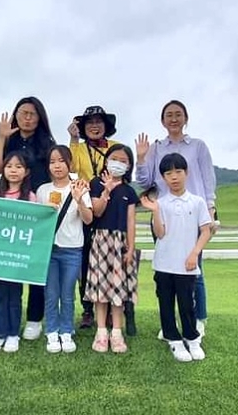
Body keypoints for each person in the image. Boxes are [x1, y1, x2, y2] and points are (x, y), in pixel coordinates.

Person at [135, 100, 216, 337]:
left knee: (194, 270)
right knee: (166, 271)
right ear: (162, 121)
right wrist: (141, 158)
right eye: (168, 115)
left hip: (193, 212)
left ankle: (198, 319)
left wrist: (210, 209)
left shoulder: (198, 146)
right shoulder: (156, 147)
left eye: (178, 114)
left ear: (185, 118)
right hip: (164, 213)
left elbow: (208, 178)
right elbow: (144, 181)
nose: (173, 119)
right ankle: (168, 322)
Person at [0, 96, 55, 341]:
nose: (27, 117)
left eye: (32, 114)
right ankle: (5, 323)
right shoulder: (10, 140)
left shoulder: (47, 142)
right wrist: (1, 137)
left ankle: (35, 319)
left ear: (40, 118)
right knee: (7, 267)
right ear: (16, 115)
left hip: (37, 210)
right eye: (23, 112)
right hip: (9, 210)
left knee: (35, 265)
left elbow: (56, 172)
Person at [140, 153, 211, 362]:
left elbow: (206, 231)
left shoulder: (197, 202)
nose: (174, 177)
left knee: (188, 303)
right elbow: (160, 233)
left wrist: (194, 254)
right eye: (169, 173)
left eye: (178, 172)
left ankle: (192, 337)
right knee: (166, 302)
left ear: (186, 173)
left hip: (187, 264)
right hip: (164, 264)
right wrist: (154, 212)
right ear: (163, 177)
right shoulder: (160, 203)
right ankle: (173, 338)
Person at [37, 146, 93, 354]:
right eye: (52, 162)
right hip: (49, 250)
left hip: (72, 250)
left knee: (67, 294)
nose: (57, 165)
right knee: (51, 293)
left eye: (61, 161)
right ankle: (52, 331)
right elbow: (37, 221)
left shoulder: (79, 187)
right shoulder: (42, 190)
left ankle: (66, 331)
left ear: (69, 163)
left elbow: (88, 219)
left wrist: (79, 199)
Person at [68, 106, 119, 329]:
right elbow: (71, 169)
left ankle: (111, 307)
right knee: (86, 260)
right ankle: (88, 308)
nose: (94, 126)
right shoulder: (78, 148)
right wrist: (72, 139)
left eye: (99, 121)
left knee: (111, 260)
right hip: (87, 207)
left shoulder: (116, 148)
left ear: (106, 126)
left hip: (111, 205)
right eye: (89, 122)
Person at [85, 144, 138, 353]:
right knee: (100, 288)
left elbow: (131, 221)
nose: (118, 163)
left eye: (124, 160)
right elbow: (96, 212)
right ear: (106, 160)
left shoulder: (129, 191)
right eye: (114, 158)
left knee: (117, 288)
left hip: (120, 242)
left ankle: (117, 331)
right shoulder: (96, 184)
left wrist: (131, 248)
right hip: (100, 240)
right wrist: (107, 190)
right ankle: (101, 331)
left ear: (129, 166)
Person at [0, 152, 36, 353]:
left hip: (17, 255)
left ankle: (13, 334)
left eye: (19, 166)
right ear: (3, 170)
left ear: (26, 172)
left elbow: (37, 223)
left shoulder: (30, 197)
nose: (13, 170)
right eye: (10, 166)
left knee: (14, 296)